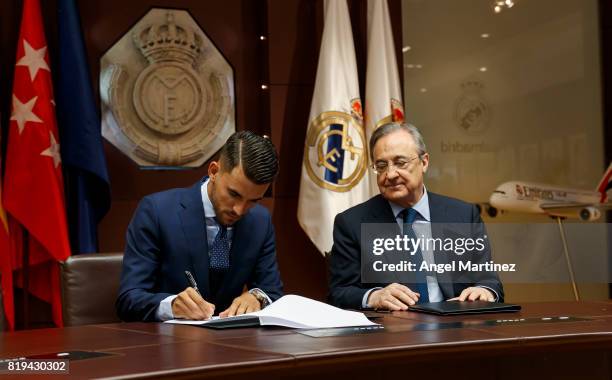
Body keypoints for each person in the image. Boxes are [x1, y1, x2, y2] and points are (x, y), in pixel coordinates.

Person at [328, 122, 503, 311]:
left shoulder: (463, 214)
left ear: (424, 162)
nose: (391, 174)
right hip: (392, 333)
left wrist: (485, 291)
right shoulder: (352, 223)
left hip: (456, 329)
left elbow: (488, 278)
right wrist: (373, 296)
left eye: (400, 163)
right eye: (381, 165)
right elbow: (339, 293)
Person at [116, 131, 283, 321]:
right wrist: (171, 305)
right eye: (234, 194)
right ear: (213, 171)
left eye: (253, 200)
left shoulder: (260, 221)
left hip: (234, 341)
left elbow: (272, 292)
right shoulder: (157, 211)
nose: (240, 210)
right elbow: (129, 298)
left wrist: (258, 297)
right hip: (167, 343)